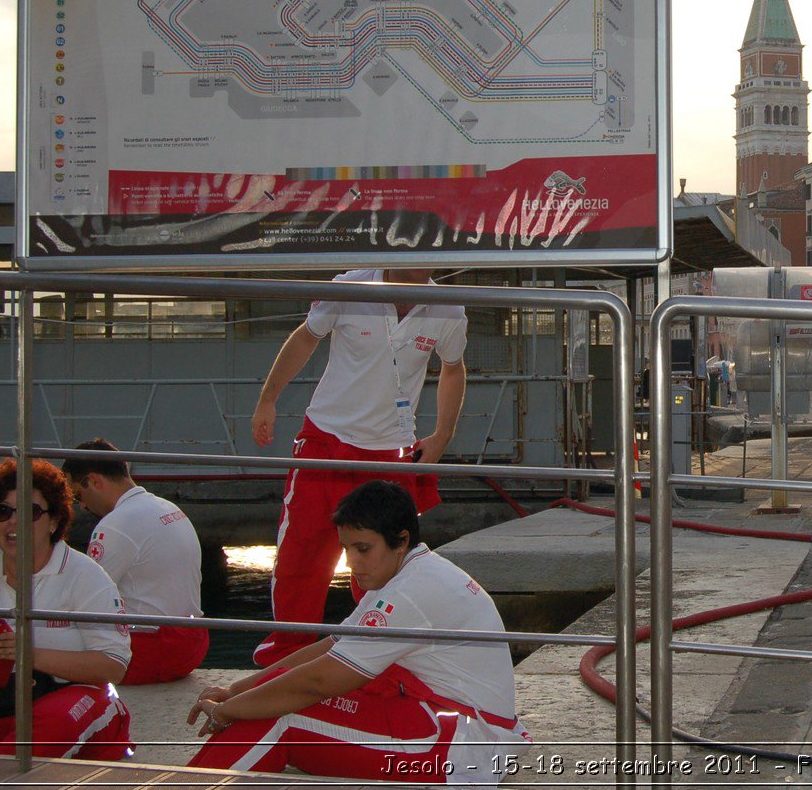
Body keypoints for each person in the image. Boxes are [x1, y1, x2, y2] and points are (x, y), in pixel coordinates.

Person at [187, 481, 530, 783]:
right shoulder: (411, 574)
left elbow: (317, 682)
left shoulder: (408, 592)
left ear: (401, 541)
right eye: (346, 549)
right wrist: (237, 690)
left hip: (463, 748)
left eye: (362, 549)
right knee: (268, 700)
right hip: (453, 726)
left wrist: (228, 710)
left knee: (281, 714)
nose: (351, 561)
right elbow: (328, 648)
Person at [250, 268, 467, 667]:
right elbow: (306, 337)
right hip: (326, 442)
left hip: (389, 452)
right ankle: (287, 656)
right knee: (303, 554)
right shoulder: (349, 286)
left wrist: (442, 435)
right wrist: (268, 399)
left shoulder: (448, 308)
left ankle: (377, 652)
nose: (423, 258)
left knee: (384, 561)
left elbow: (453, 367)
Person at [0, 459, 132, 759]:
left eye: (29, 512)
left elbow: (113, 665)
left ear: (54, 521)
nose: (13, 522)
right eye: (2, 511)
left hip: (78, 693)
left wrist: (28, 654)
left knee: (30, 742)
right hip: (6, 698)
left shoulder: (85, 576)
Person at [61, 439, 207, 684]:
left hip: (150, 652)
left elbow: (81, 596)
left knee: (41, 643)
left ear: (95, 481)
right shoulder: (167, 508)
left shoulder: (115, 525)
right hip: (192, 644)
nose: (83, 506)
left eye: (78, 495)